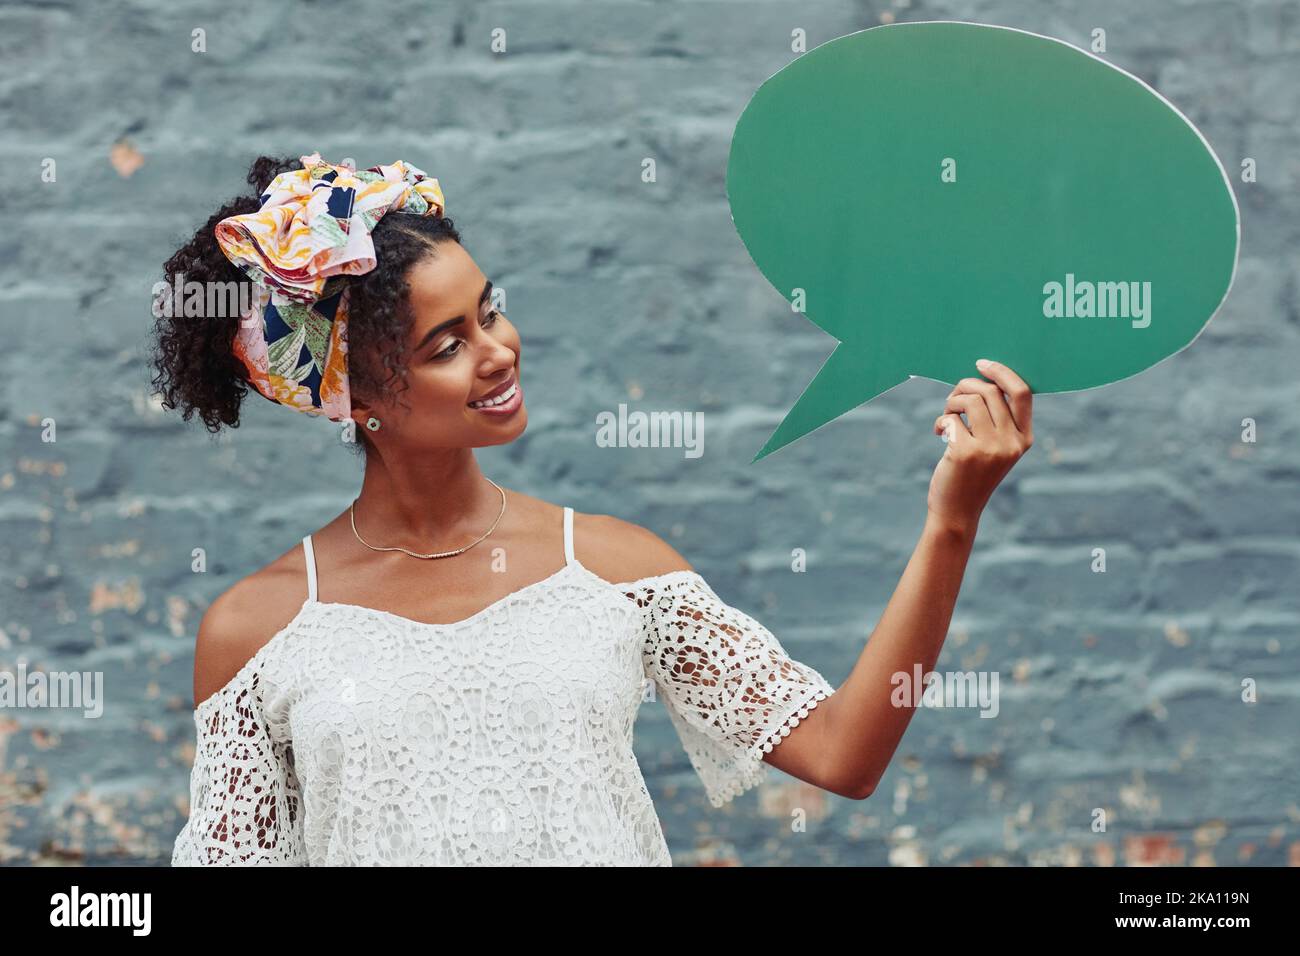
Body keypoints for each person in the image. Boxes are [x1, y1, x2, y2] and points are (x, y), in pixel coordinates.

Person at [152, 152, 1034, 866]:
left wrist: (952, 521)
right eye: (446, 344)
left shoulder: (616, 569)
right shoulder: (257, 633)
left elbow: (844, 753)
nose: (497, 352)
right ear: (357, 397)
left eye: (489, 311)